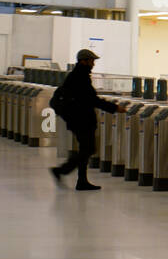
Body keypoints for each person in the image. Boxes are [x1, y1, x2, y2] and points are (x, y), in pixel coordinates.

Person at [49, 49, 125, 191]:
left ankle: (81, 180)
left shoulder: (76, 75)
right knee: (88, 148)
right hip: (81, 119)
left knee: (86, 148)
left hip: (77, 119)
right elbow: (91, 99)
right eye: (91, 61)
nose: (93, 64)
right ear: (84, 61)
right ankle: (61, 171)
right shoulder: (80, 77)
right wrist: (114, 108)